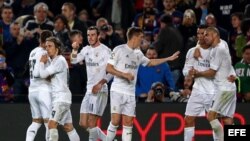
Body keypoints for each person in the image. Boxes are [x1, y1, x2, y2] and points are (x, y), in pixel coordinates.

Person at [106, 27, 180, 141]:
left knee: (128, 123)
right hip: (118, 90)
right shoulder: (118, 50)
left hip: (130, 93)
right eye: (141, 37)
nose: (142, 40)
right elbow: (109, 68)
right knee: (115, 121)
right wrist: (124, 75)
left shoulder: (138, 53)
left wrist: (168, 59)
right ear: (134, 37)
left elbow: (150, 62)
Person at [191, 27, 237, 141]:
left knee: (211, 116)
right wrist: (197, 46)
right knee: (227, 120)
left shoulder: (218, 50)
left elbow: (212, 72)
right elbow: (228, 63)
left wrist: (197, 74)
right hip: (229, 87)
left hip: (224, 88)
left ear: (215, 35)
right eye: (203, 35)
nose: (204, 37)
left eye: (207, 35)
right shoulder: (223, 43)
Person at [70, 26, 112, 141]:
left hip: (100, 89)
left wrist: (101, 83)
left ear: (98, 35)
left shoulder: (106, 51)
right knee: (83, 123)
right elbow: (73, 60)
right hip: (89, 90)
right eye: (88, 35)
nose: (90, 37)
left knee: (92, 123)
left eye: (93, 35)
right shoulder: (86, 49)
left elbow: (113, 72)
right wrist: (74, 50)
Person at [39, 37, 80, 141]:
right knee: (68, 127)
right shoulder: (55, 60)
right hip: (63, 98)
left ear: (57, 48)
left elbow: (43, 74)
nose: (47, 49)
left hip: (61, 99)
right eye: (46, 46)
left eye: (50, 46)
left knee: (51, 124)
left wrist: (41, 62)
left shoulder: (59, 60)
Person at [182, 25, 216, 141]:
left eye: (204, 34)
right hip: (197, 90)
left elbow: (216, 73)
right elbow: (185, 70)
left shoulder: (216, 51)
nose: (201, 36)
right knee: (188, 119)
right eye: (199, 33)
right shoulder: (192, 51)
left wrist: (198, 73)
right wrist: (189, 73)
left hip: (213, 91)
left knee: (214, 121)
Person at [26, 30, 53, 141]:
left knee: (36, 121)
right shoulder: (44, 53)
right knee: (48, 122)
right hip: (43, 90)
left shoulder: (32, 51)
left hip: (32, 90)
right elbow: (39, 73)